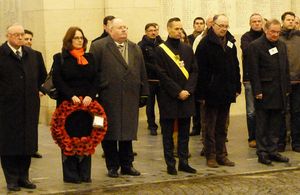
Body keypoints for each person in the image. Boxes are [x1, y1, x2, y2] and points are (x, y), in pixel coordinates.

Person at [90, 18, 149, 178]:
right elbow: (92, 72)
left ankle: (127, 165)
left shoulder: (135, 48)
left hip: (130, 96)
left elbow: (142, 70)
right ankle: (112, 166)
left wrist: (144, 93)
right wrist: (98, 90)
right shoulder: (99, 46)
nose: (124, 30)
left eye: (125, 27)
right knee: (108, 133)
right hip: (108, 97)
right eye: (120, 28)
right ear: (110, 30)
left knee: (127, 133)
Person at [0, 23, 47, 191]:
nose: (20, 38)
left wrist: (40, 90)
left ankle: (23, 177)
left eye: (22, 35)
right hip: (7, 109)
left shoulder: (32, 55)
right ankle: (11, 179)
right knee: (9, 145)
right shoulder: (1, 54)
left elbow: (43, 76)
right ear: (7, 36)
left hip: (29, 107)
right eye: (16, 35)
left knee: (27, 144)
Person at [52, 27, 99, 183]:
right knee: (69, 139)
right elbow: (58, 80)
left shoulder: (90, 58)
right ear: (69, 41)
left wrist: (89, 96)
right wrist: (71, 95)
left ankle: (85, 173)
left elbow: (96, 80)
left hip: (87, 106)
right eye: (76, 38)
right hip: (68, 105)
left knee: (86, 137)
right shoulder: (59, 58)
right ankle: (71, 174)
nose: (80, 40)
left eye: (82, 38)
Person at [195, 14, 241, 168]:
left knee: (222, 126)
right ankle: (211, 155)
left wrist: (236, 87)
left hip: (226, 91)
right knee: (209, 126)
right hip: (210, 93)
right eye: (221, 26)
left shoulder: (230, 42)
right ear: (213, 25)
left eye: (226, 26)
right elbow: (199, 71)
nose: (224, 29)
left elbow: (235, 65)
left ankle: (221, 154)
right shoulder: (204, 44)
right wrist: (201, 94)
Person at [155, 17, 198, 175]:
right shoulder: (161, 50)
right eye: (176, 29)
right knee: (167, 133)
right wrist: (177, 91)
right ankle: (170, 164)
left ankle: (184, 162)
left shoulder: (187, 49)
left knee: (184, 132)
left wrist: (188, 90)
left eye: (181, 29)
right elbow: (162, 74)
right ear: (169, 30)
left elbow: (194, 70)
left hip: (187, 96)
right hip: (169, 97)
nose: (179, 31)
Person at [248, 19, 290, 165]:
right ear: (266, 30)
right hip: (264, 92)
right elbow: (253, 71)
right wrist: (257, 90)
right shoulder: (256, 46)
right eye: (273, 32)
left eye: (278, 32)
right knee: (262, 124)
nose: (275, 35)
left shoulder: (282, 45)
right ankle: (262, 153)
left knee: (275, 124)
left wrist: (286, 88)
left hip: (279, 92)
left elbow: (286, 68)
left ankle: (273, 151)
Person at [240, 13, 264, 148]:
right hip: (249, 79)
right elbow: (248, 52)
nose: (257, 24)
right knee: (251, 111)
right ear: (250, 24)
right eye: (254, 21)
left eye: (259, 21)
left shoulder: (266, 36)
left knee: (264, 110)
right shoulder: (245, 37)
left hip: (265, 79)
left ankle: (262, 136)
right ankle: (252, 137)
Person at [278, 12, 300, 152]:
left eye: (293, 20)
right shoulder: (277, 38)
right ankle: (281, 141)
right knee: (281, 112)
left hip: (297, 81)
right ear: (283, 21)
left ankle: (296, 142)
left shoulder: (298, 38)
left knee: (297, 112)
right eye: (288, 20)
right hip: (281, 83)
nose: (291, 22)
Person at [138, 23, 164, 135]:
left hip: (161, 80)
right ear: (146, 32)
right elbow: (142, 62)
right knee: (150, 104)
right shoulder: (141, 45)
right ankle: (152, 125)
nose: (153, 32)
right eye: (151, 30)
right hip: (149, 80)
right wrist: (156, 68)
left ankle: (164, 124)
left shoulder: (162, 44)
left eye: (155, 30)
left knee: (163, 104)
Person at [24, 29, 45, 158]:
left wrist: (39, 89)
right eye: (26, 39)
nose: (28, 42)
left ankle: (33, 148)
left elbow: (43, 74)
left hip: (33, 93)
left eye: (30, 39)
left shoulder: (36, 55)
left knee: (32, 122)